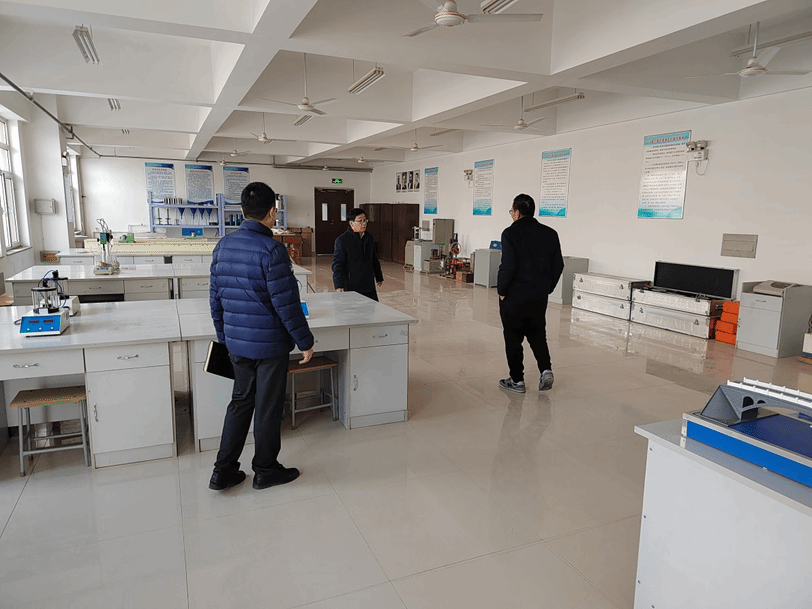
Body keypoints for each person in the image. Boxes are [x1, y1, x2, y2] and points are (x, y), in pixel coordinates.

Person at [209, 181, 314, 491]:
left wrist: (225, 337)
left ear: (243, 210)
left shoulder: (223, 246)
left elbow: (215, 300)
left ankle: (223, 471)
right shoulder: (272, 250)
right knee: (267, 407)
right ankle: (266, 470)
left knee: (240, 403)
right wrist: (305, 341)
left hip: (237, 344)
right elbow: (287, 304)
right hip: (269, 346)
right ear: (271, 212)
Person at [497, 193, 564, 394]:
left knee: (513, 338)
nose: (511, 215)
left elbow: (508, 266)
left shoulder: (510, 233)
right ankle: (546, 370)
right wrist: (547, 288)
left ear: (517, 212)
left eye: (511, 211)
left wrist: (502, 291)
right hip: (538, 296)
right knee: (537, 334)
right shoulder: (550, 233)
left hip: (514, 297)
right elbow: (558, 265)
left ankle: (517, 380)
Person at [332, 207, 383, 301]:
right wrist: (339, 284)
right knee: (353, 309)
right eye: (360, 221)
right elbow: (338, 264)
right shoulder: (342, 240)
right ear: (351, 223)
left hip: (368, 285)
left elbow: (374, 259)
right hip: (351, 285)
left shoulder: (369, 238)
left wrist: (379, 276)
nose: (364, 223)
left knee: (372, 308)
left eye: (365, 220)